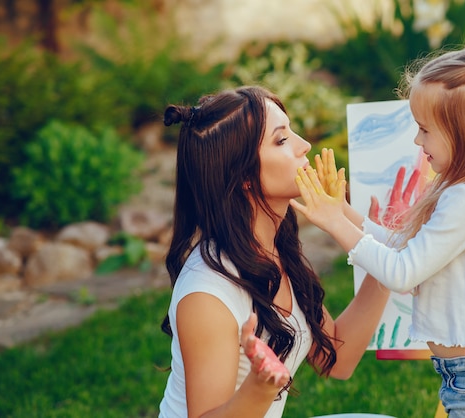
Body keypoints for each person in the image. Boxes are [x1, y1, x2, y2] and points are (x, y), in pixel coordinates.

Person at [290, 40, 465, 417]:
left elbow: (402, 274)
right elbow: (406, 249)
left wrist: (336, 224)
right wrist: (346, 213)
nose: (418, 141)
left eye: (425, 130)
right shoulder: (462, 191)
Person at [157, 85, 391, 418]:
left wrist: (386, 259)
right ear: (244, 178)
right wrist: (260, 387)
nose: (305, 145)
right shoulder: (208, 294)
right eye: (282, 140)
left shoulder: (275, 248)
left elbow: (337, 359)